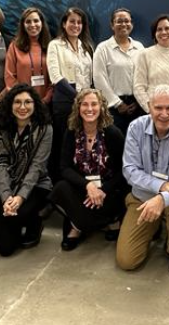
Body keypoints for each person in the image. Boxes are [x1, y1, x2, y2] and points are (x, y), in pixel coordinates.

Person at [117, 84, 169, 279]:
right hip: (143, 198)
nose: (164, 114)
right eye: (158, 108)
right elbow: (129, 170)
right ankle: (153, 225)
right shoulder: (136, 128)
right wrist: (161, 185)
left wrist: (163, 198)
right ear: (149, 107)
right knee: (127, 261)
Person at [50, 88, 127, 251]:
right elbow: (64, 168)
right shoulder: (71, 132)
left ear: (102, 107)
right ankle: (99, 222)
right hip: (83, 188)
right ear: (78, 108)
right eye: (84, 104)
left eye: (94, 104)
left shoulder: (113, 133)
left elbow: (124, 171)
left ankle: (78, 225)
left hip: (108, 190)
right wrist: (88, 186)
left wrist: (102, 190)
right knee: (60, 188)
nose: (89, 109)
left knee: (114, 198)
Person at [0, 84, 53, 256]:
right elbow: (0, 163)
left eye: (27, 102)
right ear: (10, 105)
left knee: (19, 213)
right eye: (17, 102)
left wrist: (19, 198)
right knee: (5, 248)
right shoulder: (0, 128)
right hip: (6, 184)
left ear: (35, 104)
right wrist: (6, 197)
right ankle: (14, 221)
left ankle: (35, 221)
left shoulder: (45, 129)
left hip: (35, 184)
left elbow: (37, 166)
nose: (22, 107)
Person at [47, 7, 94, 180]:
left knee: (82, 144)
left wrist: (87, 99)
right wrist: (78, 97)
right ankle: (61, 184)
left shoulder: (86, 46)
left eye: (79, 22)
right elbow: (55, 76)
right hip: (65, 102)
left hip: (85, 103)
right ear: (64, 24)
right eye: (72, 21)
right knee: (64, 145)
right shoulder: (55, 45)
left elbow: (90, 77)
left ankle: (80, 180)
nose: (76, 25)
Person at [92, 8, 144, 134]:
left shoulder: (140, 48)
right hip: (113, 108)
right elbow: (99, 79)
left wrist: (138, 101)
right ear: (112, 25)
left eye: (127, 21)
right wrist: (117, 103)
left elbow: (145, 76)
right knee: (116, 145)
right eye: (119, 21)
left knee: (137, 144)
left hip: (137, 105)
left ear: (131, 24)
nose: (123, 24)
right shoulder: (103, 48)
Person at [133, 14, 169, 116]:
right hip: (152, 114)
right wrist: (151, 111)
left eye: (167, 28)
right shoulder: (144, 55)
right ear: (154, 33)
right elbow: (138, 87)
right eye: (159, 29)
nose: (164, 32)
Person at [5, 7, 53, 104]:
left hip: (46, 103)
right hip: (22, 104)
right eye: (28, 22)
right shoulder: (14, 46)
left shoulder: (51, 46)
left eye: (36, 21)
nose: (32, 25)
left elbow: (54, 78)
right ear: (23, 25)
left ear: (42, 23)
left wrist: (47, 98)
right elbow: (9, 77)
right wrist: (23, 100)